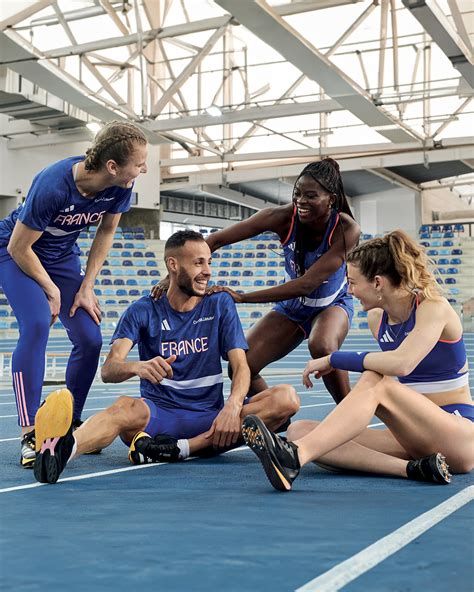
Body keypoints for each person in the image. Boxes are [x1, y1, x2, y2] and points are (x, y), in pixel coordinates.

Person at [32, 230, 299, 484]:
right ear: (173, 264)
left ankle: (180, 449)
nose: (207, 271)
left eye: (209, 262)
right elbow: (109, 370)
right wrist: (137, 367)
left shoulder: (219, 303)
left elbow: (240, 366)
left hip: (213, 419)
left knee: (285, 398)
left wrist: (232, 406)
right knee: (123, 408)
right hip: (159, 418)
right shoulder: (142, 310)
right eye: (198, 263)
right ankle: (62, 451)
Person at [241, 230, 473, 491]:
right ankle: (415, 469)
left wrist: (335, 359)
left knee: (376, 379)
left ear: (377, 283)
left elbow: (402, 363)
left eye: (352, 282)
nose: (350, 291)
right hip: (413, 438)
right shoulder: (377, 318)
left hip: (458, 435)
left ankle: (295, 458)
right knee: (300, 432)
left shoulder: (433, 307)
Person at [0, 120, 148, 467]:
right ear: (112, 166)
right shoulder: (53, 183)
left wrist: (86, 286)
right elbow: (21, 246)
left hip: (62, 257)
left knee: (90, 337)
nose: (143, 169)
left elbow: (107, 232)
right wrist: (51, 289)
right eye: (139, 163)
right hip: (15, 251)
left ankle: (66, 423)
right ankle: (30, 433)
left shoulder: (121, 186)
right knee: (37, 323)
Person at [154, 158, 360, 404]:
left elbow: (308, 284)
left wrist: (242, 297)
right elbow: (215, 240)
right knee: (241, 365)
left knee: (322, 345)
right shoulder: (281, 217)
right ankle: (277, 419)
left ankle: (348, 410)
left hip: (332, 304)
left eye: (311, 196)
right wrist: (172, 277)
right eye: (297, 194)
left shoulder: (346, 229)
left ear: (331, 200)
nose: (301, 201)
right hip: (293, 308)